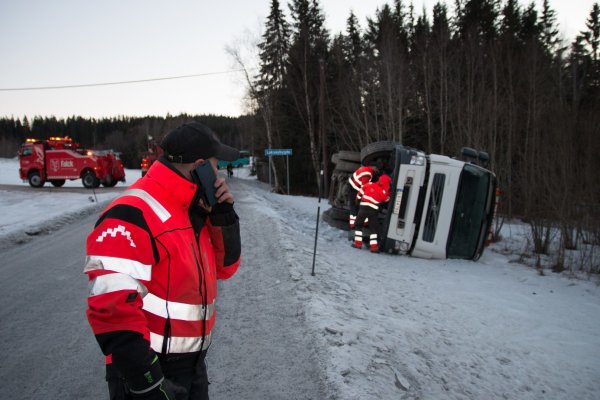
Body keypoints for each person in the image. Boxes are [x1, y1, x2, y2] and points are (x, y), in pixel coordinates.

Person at [84, 122, 242, 400]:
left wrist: (223, 218)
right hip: (150, 373)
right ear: (201, 166)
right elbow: (111, 309)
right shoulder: (131, 213)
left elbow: (225, 269)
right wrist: (146, 380)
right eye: (217, 167)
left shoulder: (191, 208)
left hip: (193, 367)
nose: (219, 176)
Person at [352, 174, 391, 252]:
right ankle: (374, 247)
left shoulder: (369, 184)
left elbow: (360, 192)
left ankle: (358, 244)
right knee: (373, 228)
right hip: (372, 211)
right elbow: (386, 199)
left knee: (358, 225)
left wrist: (357, 199)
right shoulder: (383, 191)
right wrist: (388, 193)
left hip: (363, 209)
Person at [347, 164, 379, 229]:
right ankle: (353, 225)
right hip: (354, 188)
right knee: (355, 206)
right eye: (377, 169)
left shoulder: (366, 168)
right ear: (374, 167)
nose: (377, 171)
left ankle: (362, 223)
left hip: (353, 184)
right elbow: (364, 188)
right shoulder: (367, 174)